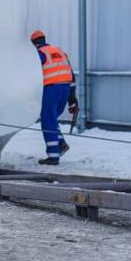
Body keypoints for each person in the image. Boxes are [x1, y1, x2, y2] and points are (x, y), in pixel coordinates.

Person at [30, 30, 78, 165]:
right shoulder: (60, 52)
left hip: (51, 89)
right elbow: (72, 76)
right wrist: (72, 99)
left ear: (33, 43)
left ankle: (53, 156)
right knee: (52, 119)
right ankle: (61, 143)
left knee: (48, 121)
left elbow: (31, 73)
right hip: (66, 89)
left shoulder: (39, 54)